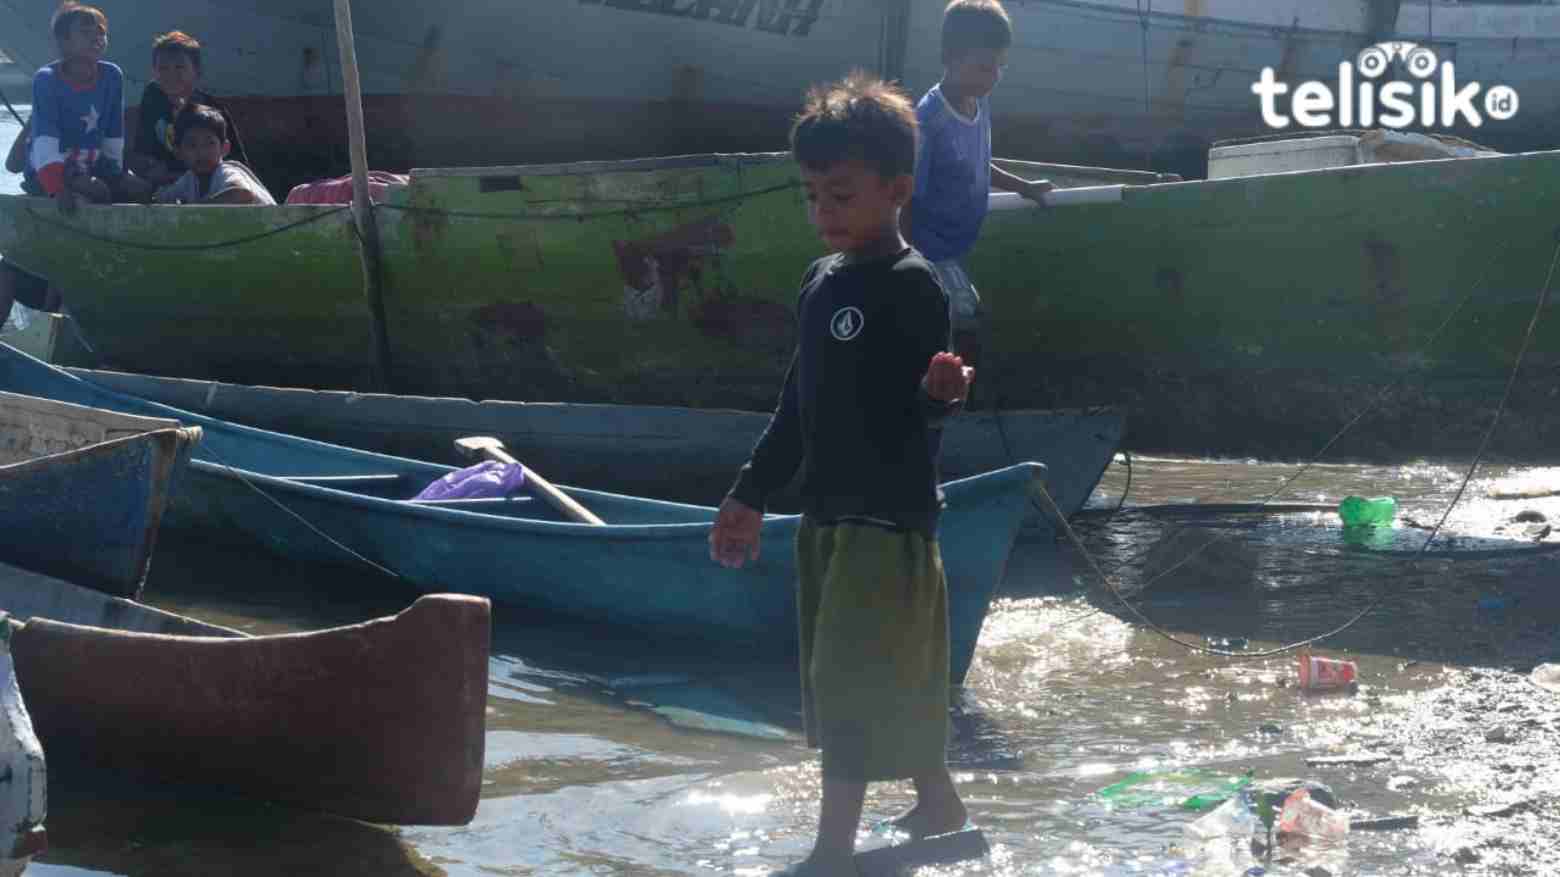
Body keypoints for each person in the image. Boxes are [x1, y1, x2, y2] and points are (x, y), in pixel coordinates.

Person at [709, 71, 975, 877]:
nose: (825, 213)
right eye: (814, 196)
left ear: (896, 191)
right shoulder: (819, 283)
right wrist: (750, 493)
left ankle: (832, 850)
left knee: (849, 675)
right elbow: (799, 402)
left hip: (887, 518)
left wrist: (941, 399)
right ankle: (939, 802)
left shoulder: (911, 286)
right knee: (860, 675)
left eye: (842, 195)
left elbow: (920, 409)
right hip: (826, 516)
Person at [903, 0, 1053, 378]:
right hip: (929, 247)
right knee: (964, 318)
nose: (995, 76)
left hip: (957, 242)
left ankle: (947, 385)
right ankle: (953, 397)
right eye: (986, 67)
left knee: (962, 320)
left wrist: (1024, 187)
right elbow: (905, 198)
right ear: (951, 58)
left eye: (1001, 66)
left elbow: (974, 162)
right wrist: (906, 265)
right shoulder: (929, 120)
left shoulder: (979, 102)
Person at [26, 3, 148, 209]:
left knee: (140, 189)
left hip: (93, 164)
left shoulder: (112, 75)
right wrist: (57, 187)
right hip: (54, 168)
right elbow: (44, 139)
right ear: (64, 41)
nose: (97, 38)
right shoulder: (46, 79)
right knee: (96, 191)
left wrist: (115, 174)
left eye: (101, 32)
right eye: (86, 33)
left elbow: (113, 131)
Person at [129, 30, 249, 188]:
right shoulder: (153, 98)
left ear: (197, 71)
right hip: (165, 182)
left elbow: (237, 166)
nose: (170, 74)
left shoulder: (211, 112)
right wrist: (149, 168)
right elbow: (141, 151)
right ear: (154, 72)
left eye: (180, 67)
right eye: (163, 68)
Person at [154, 104, 274, 205]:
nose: (202, 152)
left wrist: (195, 209)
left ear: (224, 148)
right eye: (192, 145)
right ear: (178, 153)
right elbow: (162, 198)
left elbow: (241, 194)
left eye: (209, 144)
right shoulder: (189, 180)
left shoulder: (226, 172)